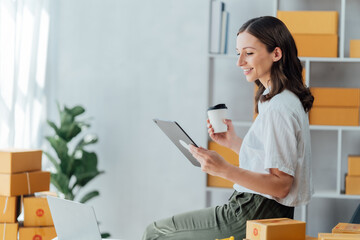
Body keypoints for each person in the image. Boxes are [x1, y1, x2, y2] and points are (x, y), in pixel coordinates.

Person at [142, 16, 314, 240]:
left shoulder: (278, 107)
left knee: (154, 233)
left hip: (254, 211)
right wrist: (233, 142)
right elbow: (271, 162)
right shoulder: (277, 100)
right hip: (257, 208)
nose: (240, 62)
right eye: (238, 53)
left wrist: (224, 170)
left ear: (276, 54)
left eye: (249, 53)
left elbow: (281, 185)